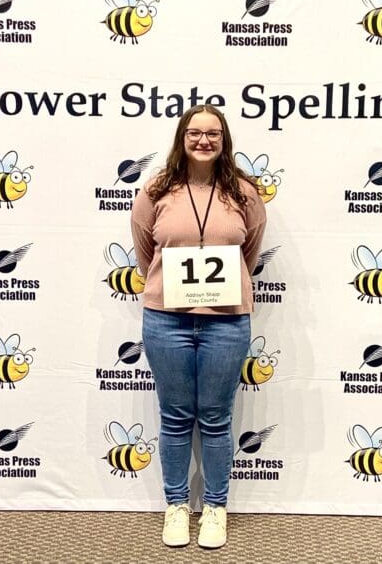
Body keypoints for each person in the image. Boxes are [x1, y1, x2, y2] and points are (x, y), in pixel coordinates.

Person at [130, 104, 266, 548]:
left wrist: (220, 290)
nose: (203, 140)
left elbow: (249, 252)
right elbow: (146, 252)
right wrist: (169, 287)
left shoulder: (244, 193)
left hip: (225, 322)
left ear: (224, 140)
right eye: (194, 133)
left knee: (215, 417)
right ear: (181, 138)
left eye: (213, 133)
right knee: (174, 416)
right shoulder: (156, 189)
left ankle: (214, 507)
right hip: (166, 320)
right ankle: (175, 505)